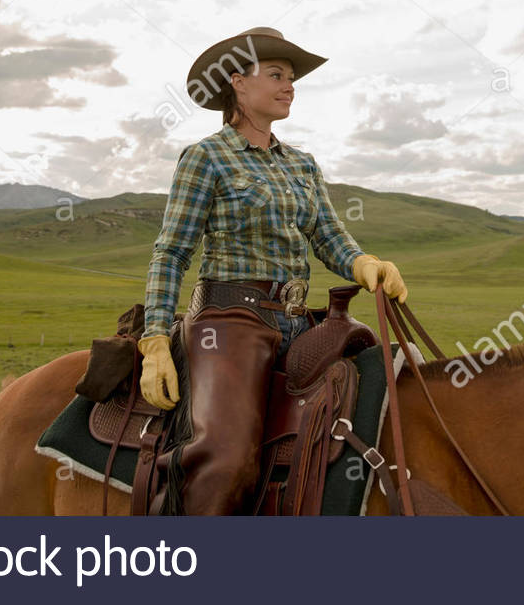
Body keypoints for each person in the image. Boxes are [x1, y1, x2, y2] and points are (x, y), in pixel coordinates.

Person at [136, 25, 408, 514]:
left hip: (299, 319)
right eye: (277, 74)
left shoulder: (301, 165)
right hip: (229, 320)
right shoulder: (206, 158)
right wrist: (155, 337)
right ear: (237, 81)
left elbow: (328, 236)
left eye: (292, 78)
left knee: (385, 398)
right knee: (227, 459)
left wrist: (365, 263)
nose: (290, 86)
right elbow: (172, 251)